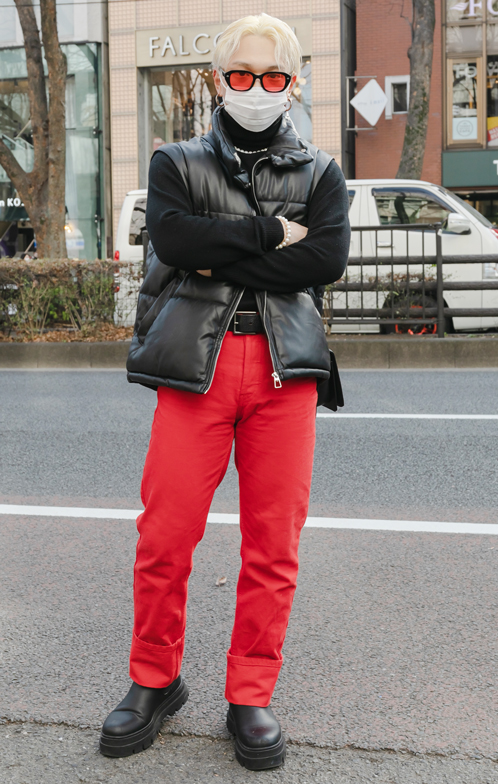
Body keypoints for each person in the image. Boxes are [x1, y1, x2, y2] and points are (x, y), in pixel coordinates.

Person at [99, 13, 350, 771]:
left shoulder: (322, 172)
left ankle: (250, 692)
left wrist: (218, 251)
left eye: (272, 76)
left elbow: (325, 262)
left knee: (273, 545)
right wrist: (273, 234)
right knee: (165, 535)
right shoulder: (174, 161)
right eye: (241, 74)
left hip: (285, 372)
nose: (255, 88)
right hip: (195, 369)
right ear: (217, 79)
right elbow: (175, 241)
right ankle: (155, 678)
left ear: (294, 83)